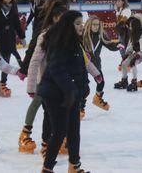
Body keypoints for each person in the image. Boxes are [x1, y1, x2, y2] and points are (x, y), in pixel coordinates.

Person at [32, 10, 101, 173]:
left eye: (81, 23)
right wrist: (70, 89)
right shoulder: (61, 42)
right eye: (77, 23)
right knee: (60, 131)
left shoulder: (74, 41)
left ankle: (74, 167)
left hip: (70, 94)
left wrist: (83, 86)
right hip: (56, 95)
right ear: (68, 25)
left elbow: (79, 66)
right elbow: (56, 68)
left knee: (74, 131)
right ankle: (47, 168)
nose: (81, 26)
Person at [19, 0, 68, 154]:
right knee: (40, 104)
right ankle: (28, 134)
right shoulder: (44, 32)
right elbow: (34, 55)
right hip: (45, 80)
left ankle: (56, 137)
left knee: (57, 109)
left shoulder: (66, 33)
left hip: (59, 80)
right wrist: (30, 82)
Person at [80, 17, 114, 115]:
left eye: (98, 25)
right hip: (83, 64)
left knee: (101, 82)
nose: (96, 27)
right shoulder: (83, 35)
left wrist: (118, 45)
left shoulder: (101, 35)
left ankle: (97, 98)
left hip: (95, 64)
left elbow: (110, 44)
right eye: (94, 24)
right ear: (89, 25)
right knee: (84, 87)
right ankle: (80, 108)